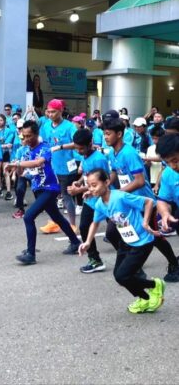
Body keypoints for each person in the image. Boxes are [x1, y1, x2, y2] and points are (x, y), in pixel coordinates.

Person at [102, 116, 179, 282]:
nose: (105, 137)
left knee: (154, 236)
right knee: (114, 233)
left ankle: (173, 263)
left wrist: (118, 194)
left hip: (143, 202)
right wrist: (104, 187)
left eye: (108, 134)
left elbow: (140, 181)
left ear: (119, 134)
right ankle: (133, 266)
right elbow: (115, 172)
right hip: (127, 202)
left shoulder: (129, 153)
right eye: (104, 134)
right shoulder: (112, 153)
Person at [79, 169, 165, 314]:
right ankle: (144, 298)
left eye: (94, 185)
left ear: (107, 182)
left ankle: (154, 285)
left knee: (123, 276)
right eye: (89, 186)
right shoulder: (100, 203)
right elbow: (95, 222)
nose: (91, 189)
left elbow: (149, 202)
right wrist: (87, 242)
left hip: (142, 242)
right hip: (126, 241)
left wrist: (145, 222)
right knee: (119, 276)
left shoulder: (120, 197)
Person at [7, 121, 81, 265]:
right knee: (57, 217)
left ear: (36, 134)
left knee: (28, 217)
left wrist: (17, 164)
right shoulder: (26, 151)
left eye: (29, 136)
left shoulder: (45, 148)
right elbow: (22, 172)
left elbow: (37, 163)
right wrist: (16, 168)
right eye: (24, 136)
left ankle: (31, 254)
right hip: (38, 189)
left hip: (50, 188)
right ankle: (75, 242)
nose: (26, 139)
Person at [67, 129, 110, 273]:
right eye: (76, 148)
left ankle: (130, 259)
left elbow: (102, 182)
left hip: (104, 199)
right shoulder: (85, 156)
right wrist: (79, 182)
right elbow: (87, 175)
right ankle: (95, 260)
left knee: (115, 233)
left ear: (90, 144)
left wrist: (79, 190)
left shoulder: (99, 159)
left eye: (81, 148)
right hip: (90, 199)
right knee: (84, 227)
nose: (78, 151)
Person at [40, 99, 79, 235]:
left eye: (53, 112)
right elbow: (44, 142)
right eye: (48, 112)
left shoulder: (69, 126)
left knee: (66, 196)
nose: (50, 114)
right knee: (51, 196)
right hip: (51, 166)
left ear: (61, 111)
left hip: (66, 167)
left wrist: (61, 147)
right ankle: (54, 222)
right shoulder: (46, 125)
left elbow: (77, 143)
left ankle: (72, 224)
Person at [155, 134, 179, 236]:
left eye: (175, 161)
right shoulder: (168, 174)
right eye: (167, 162)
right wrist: (165, 213)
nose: (172, 166)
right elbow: (163, 200)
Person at [0, 114, 14, 201]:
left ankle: (8, 192)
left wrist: (1, 145)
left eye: (1, 120)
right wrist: (3, 145)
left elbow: (9, 144)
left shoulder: (9, 131)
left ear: (4, 121)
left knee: (5, 172)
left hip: (5, 154)